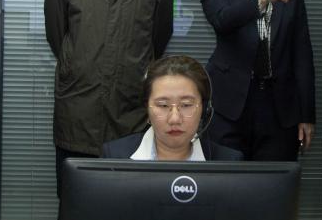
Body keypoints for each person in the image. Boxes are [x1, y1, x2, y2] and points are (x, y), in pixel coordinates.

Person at [44, 0, 174, 180]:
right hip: (79, 104)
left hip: (133, 107)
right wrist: (78, 64)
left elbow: (159, 36)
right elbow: (57, 36)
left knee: (129, 197)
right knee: (76, 196)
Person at [198, 0, 315, 161]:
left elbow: (301, 53)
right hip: (230, 104)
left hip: (278, 106)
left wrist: (306, 114)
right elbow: (222, 19)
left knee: (274, 181)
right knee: (228, 181)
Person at [102, 56, 243, 161]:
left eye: (186, 105)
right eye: (163, 105)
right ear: (147, 109)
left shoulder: (228, 161)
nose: (175, 119)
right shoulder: (114, 156)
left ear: (204, 109)